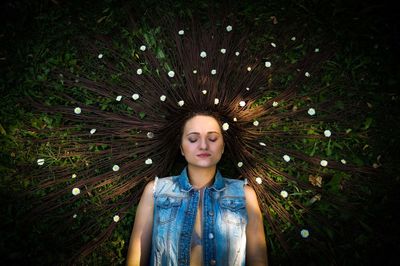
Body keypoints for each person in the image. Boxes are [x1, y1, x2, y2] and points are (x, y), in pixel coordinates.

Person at [126, 113, 268, 265]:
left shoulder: (244, 195)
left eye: (212, 138)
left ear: (223, 147)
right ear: (181, 148)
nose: (203, 145)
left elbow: (258, 260)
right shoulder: (155, 192)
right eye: (193, 139)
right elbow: (135, 259)